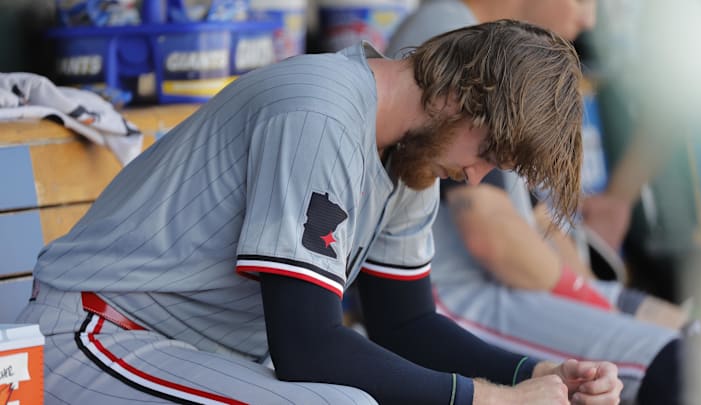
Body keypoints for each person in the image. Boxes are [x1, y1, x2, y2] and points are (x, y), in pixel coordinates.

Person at [17, 21, 622, 404]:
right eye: (486, 152)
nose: (475, 175)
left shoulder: (413, 155)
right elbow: (306, 346)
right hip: (99, 336)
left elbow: (405, 326)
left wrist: (540, 373)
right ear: (457, 96)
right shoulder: (323, 112)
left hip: (189, 354)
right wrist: (496, 401)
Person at [385, 0, 685, 404]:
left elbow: (534, 219)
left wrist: (597, 295)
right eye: (583, 0)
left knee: (695, 337)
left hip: (504, 282)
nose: (588, 18)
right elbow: (491, 233)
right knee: (684, 367)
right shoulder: (453, 30)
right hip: (453, 294)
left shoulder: (500, 46)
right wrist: (595, 305)